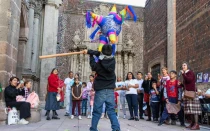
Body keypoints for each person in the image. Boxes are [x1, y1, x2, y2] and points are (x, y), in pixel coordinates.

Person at [82, 44, 120, 131]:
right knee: (111, 111)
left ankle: (93, 129)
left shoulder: (99, 64)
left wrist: (90, 54)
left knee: (97, 111)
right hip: (110, 90)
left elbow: (93, 65)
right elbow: (101, 54)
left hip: (100, 90)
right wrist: (89, 52)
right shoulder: (113, 61)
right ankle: (116, 128)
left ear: (102, 52)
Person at [181, 62, 201, 130]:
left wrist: (183, 74)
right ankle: (192, 123)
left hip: (192, 93)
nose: (183, 66)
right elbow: (186, 84)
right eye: (182, 65)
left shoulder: (190, 72)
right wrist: (180, 84)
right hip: (188, 94)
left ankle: (196, 124)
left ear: (187, 66)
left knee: (194, 110)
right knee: (190, 110)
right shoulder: (185, 74)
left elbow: (189, 80)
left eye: (184, 65)